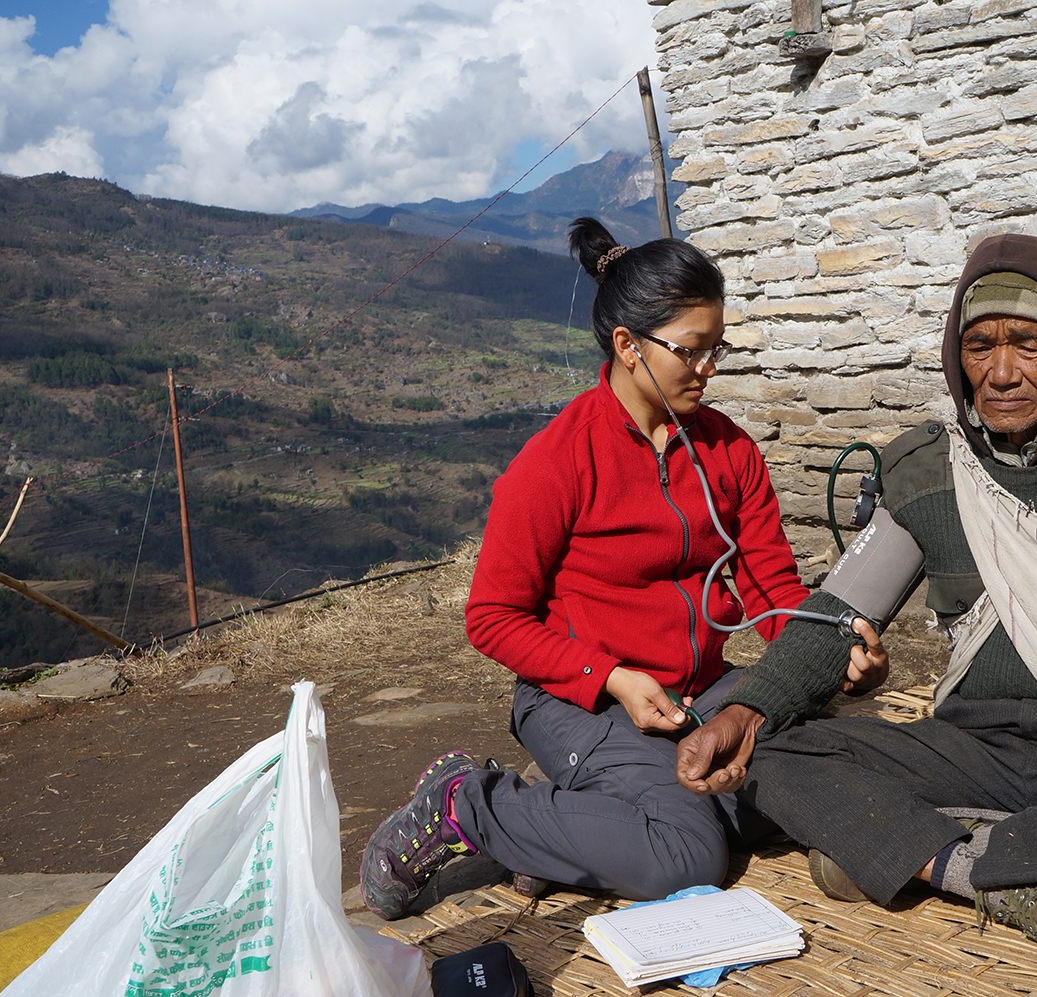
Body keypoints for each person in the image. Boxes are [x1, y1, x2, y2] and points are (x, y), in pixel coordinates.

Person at [676, 233, 1037, 977]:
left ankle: (904, 849)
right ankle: (1011, 879)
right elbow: (836, 615)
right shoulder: (928, 470)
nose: (999, 372)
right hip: (975, 747)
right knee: (774, 754)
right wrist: (750, 708)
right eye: (979, 345)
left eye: (1027, 344)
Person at [359, 218, 888, 919]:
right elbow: (491, 617)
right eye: (692, 351)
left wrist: (830, 650)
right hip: (584, 700)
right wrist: (610, 675)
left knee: (832, 765)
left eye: (715, 349)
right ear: (627, 347)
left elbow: (773, 590)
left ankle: (571, 828)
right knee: (688, 854)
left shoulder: (728, 451)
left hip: (700, 689)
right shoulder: (557, 460)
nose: (709, 370)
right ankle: (468, 802)